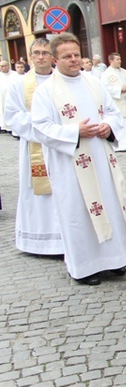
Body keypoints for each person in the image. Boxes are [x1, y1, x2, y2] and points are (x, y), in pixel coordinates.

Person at [31, 32, 126, 286]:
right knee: (78, 211)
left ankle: (115, 259)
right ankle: (85, 267)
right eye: (67, 56)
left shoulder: (93, 82)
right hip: (70, 163)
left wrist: (108, 127)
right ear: (55, 60)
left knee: (108, 202)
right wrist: (75, 131)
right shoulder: (46, 92)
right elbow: (40, 127)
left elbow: (112, 111)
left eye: (77, 55)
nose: (74, 60)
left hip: (100, 156)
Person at [4, 39, 63, 255]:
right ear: (30, 56)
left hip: (61, 145)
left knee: (63, 190)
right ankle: (39, 241)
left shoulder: (62, 80)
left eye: (45, 53)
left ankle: (64, 239)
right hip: (34, 148)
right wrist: (41, 124)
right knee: (38, 194)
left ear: (52, 56)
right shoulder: (19, 85)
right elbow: (11, 116)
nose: (40, 57)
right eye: (36, 53)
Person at [0, 59, 17, 133]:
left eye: (4, 66)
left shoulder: (14, 74)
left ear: (7, 66)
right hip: (2, 98)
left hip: (11, 97)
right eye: (1, 66)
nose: (2, 67)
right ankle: (4, 126)